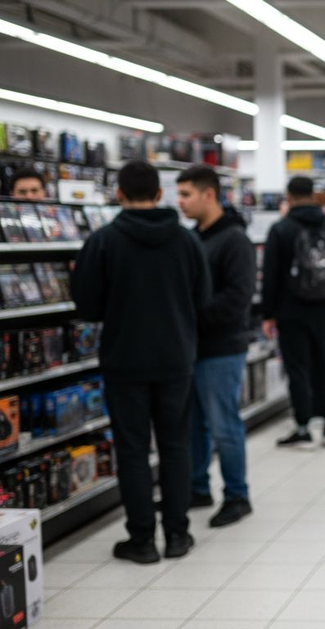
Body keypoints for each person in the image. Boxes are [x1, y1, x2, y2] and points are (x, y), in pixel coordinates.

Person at [72, 161, 211, 563]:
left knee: (132, 451)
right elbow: (202, 299)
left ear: (118, 194)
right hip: (175, 360)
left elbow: (87, 306)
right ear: (159, 194)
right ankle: (178, 534)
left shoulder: (103, 242)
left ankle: (142, 540)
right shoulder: (187, 242)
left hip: (124, 362)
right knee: (175, 446)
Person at [176, 166, 256, 528]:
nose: (181, 202)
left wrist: (188, 314)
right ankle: (197, 487)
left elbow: (237, 298)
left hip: (223, 347)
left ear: (209, 194)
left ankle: (237, 495)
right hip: (191, 346)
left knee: (224, 424)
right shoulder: (193, 237)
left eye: (186, 194)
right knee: (194, 423)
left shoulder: (235, 240)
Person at [262, 176, 325, 449]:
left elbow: (271, 274)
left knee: (297, 367)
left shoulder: (281, 229)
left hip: (291, 310)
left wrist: (268, 314)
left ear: (289, 196)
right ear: (313, 195)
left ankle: (302, 427)